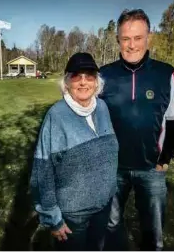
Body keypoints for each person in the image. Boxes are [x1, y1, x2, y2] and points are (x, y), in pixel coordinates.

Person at [99, 9, 174, 251]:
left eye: (138, 38)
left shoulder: (165, 73)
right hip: (112, 170)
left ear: (148, 37)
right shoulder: (103, 76)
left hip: (152, 169)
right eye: (126, 38)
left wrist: (166, 158)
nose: (132, 45)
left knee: (153, 230)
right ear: (118, 39)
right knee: (109, 226)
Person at [30, 52, 119, 251]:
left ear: (97, 82)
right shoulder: (56, 116)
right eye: (76, 76)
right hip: (73, 216)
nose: (83, 82)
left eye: (89, 76)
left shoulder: (102, 107)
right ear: (66, 83)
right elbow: (42, 172)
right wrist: (52, 217)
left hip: (103, 207)